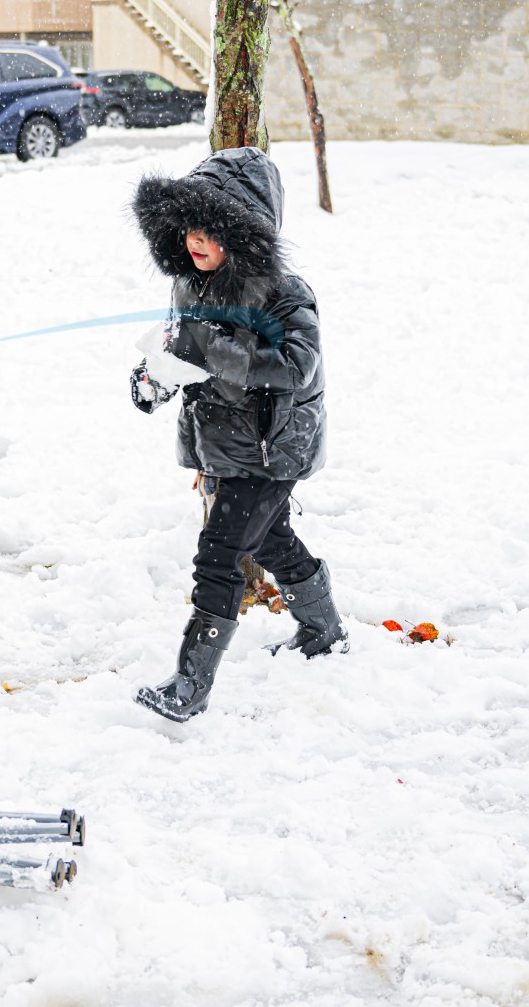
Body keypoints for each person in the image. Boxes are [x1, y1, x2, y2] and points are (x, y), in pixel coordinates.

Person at [127, 147, 342, 722]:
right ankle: (325, 631)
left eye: (211, 230)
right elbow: (185, 357)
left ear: (243, 236)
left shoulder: (285, 294)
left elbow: (297, 366)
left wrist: (211, 349)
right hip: (222, 442)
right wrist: (155, 380)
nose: (194, 240)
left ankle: (190, 686)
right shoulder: (190, 287)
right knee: (271, 542)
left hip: (273, 448)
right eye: (188, 226)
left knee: (219, 556)